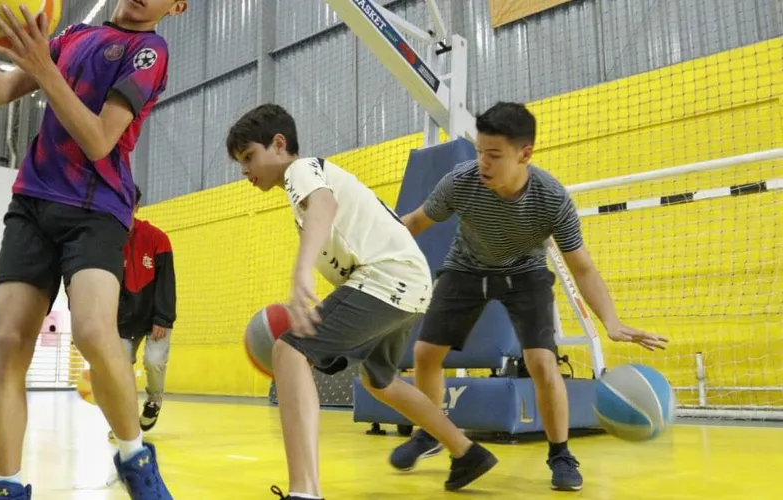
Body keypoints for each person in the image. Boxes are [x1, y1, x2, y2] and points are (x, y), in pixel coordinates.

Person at [0, 1, 188, 499]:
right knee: (9, 342)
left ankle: (136, 458)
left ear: (176, 6)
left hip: (97, 207)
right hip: (32, 202)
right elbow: (1, 91)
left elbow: (99, 140)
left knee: (95, 331)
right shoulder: (71, 35)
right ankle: (8, 486)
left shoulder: (148, 52)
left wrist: (43, 67)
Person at [389, 101, 670, 492]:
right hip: (466, 268)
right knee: (425, 353)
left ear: (525, 153)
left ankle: (560, 453)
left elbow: (582, 267)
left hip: (526, 273)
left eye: (494, 155)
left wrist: (612, 322)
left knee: (542, 362)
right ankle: (432, 430)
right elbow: (414, 223)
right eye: (479, 152)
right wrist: (370, 252)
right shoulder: (461, 181)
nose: (482, 163)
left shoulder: (551, 198)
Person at [226, 103, 500, 500]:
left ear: (279, 144)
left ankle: (305, 491)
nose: (245, 171)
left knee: (289, 352)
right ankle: (466, 451)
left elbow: (324, 206)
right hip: (406, 282)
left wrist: (301, 272)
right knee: (380, 381)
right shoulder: (314, 178)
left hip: (384, 278)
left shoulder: (300, 171)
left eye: (248, 157)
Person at [115, 183, 177, 435]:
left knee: (153, 361)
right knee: (118, 368)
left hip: (155, 318)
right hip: (122, 319)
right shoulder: (108, 239)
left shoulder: (157, 238)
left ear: (136, 207)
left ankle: (153, 401)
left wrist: (163, 318)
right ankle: (126, 422)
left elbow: (166, 282)